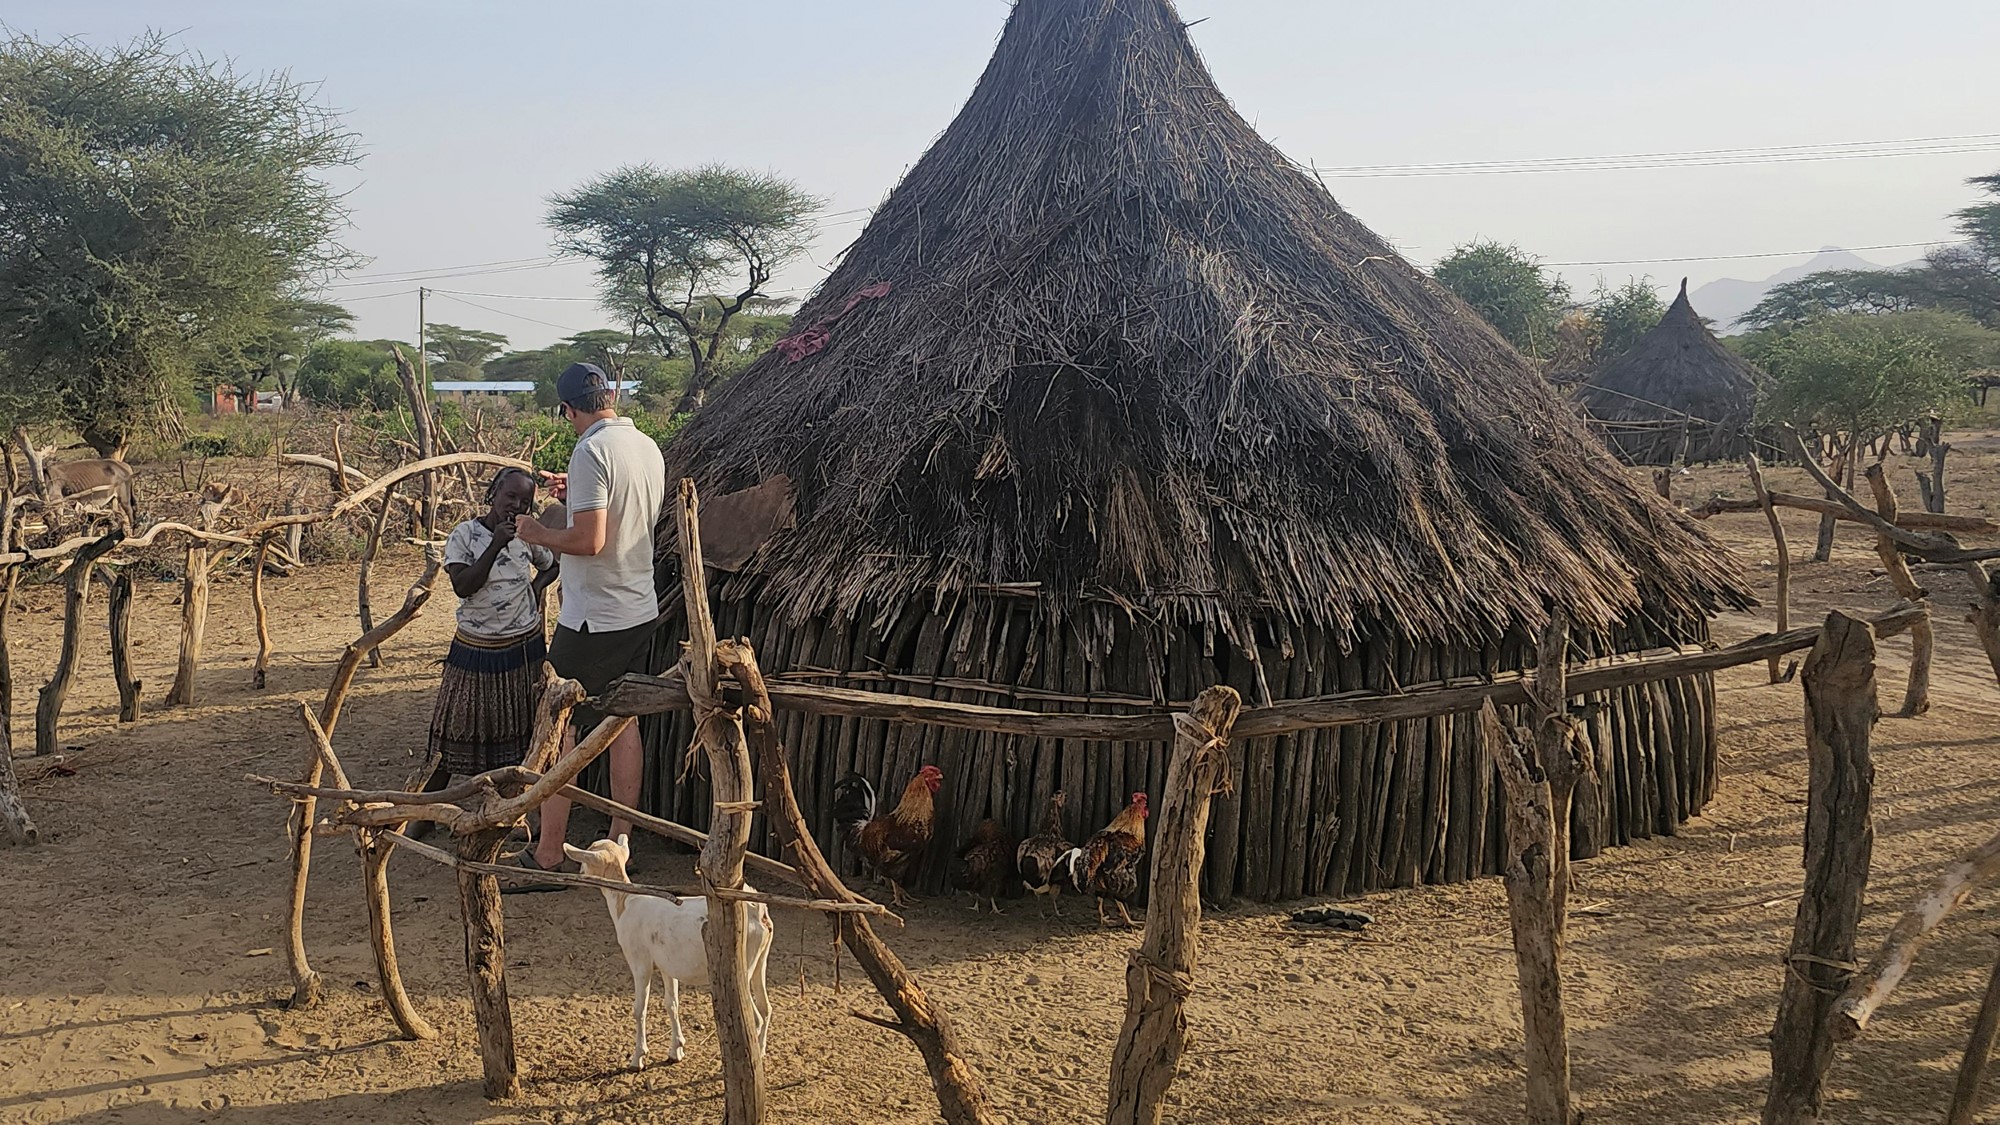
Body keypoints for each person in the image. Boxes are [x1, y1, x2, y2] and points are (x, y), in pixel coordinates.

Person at [507, 362, 666, 886]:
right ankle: (620, 842)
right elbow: (618, 516)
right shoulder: (645, 446)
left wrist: (534, 529)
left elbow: (589, 541)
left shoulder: (590, 451)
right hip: (637, 606)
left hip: (594, 616)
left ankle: (549, 854)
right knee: (622, 723)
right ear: (611, 396)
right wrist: (570, 493)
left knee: (561, 724)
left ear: (568, 409)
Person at [423, 467, 558, 791]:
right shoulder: (465, 535)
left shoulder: (527, 536)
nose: (515, 505)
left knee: (519, 726)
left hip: (522, 647)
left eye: (524, 501)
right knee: (454, 727)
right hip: (475, 649)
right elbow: (463, 586)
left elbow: (551, 564)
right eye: (510, 496)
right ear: (492, 494)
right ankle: (427, 808)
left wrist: (535, 589)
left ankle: (514, 802)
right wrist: (496, 543)